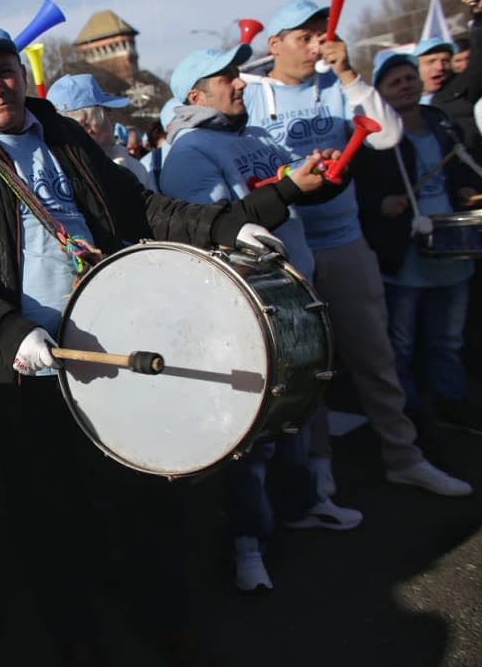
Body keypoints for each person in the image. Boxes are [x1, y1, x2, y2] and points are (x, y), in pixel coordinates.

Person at [0, 24, 300, 663]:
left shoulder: (64, 136)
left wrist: (233, 226)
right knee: (51, 524)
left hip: (119, 356)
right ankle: (79, 643)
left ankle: (164, 624)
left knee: (144, 501)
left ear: (22, 75)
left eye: (4, 71)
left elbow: (143, 209)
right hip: (25, 374)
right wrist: (6, 329)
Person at [243, 0, 471, 498]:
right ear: (274, 44)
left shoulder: (337, 84)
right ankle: (319, 466)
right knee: (308, 369)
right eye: (303, 37)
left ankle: (403, 456)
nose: (315, 45)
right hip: (286, 255)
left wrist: (348, 72)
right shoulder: (252, 96)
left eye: (320, 34)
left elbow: (387, 136)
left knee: (376, 359)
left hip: (345, 242)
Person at [161, 44, 362, 591]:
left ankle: (300, 506)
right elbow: (209, 227)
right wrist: (287, 188)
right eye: (227, 77)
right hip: (246, 311)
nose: (241, 83)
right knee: (252, 435)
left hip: (293, 298)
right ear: (196, 94)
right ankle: (247, 543)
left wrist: (321, 178)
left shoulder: (253, 136)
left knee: (297, 410)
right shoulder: (189, 151)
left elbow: (285, 198)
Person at [355, 50, 482, 438]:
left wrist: (464, 188)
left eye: (409, 78)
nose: (405, 86)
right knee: (401, 342)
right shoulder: (374, 135)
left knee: (448, 337)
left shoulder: (440, 123)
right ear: (380, 93)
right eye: (394, 82)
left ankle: (451, 401)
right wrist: (379, 204)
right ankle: (409, 410)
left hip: (451, 248)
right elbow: (357, 190)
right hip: (405, 253)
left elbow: (458, 171)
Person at [415, 0, 482, 153]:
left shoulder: (458, 92)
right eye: (431, 61)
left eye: (445, 61)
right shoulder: (400, 105)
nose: (439, 67)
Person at [46, 73, 152, 189]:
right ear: (89, 126)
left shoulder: (133, 168)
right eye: (107, 110)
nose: (112, 118)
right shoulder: (53, 177)